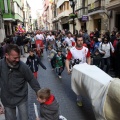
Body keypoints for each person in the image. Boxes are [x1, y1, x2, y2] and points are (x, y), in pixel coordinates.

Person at [0, 44, 41, 120]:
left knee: (24, 118)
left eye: (18, 57)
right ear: (7, 55)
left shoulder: (23, 67)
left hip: (21, 97)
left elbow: (31, 79)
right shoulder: (1, 65)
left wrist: (38, 92)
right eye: (15, 58)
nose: (18, 60)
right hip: (7, 98)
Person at [65, 35, 91, 106]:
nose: (80, 42)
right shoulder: (72, 50)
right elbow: (67, 60)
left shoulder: (86, 49)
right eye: (79, 40)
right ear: (76, 41)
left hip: (84, 70)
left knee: (85, 84)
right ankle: (79, 99)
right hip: (75, 70)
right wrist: (68, 69)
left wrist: (88, 65)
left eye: (81, 40)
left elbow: (88, 57)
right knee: (77, 85)